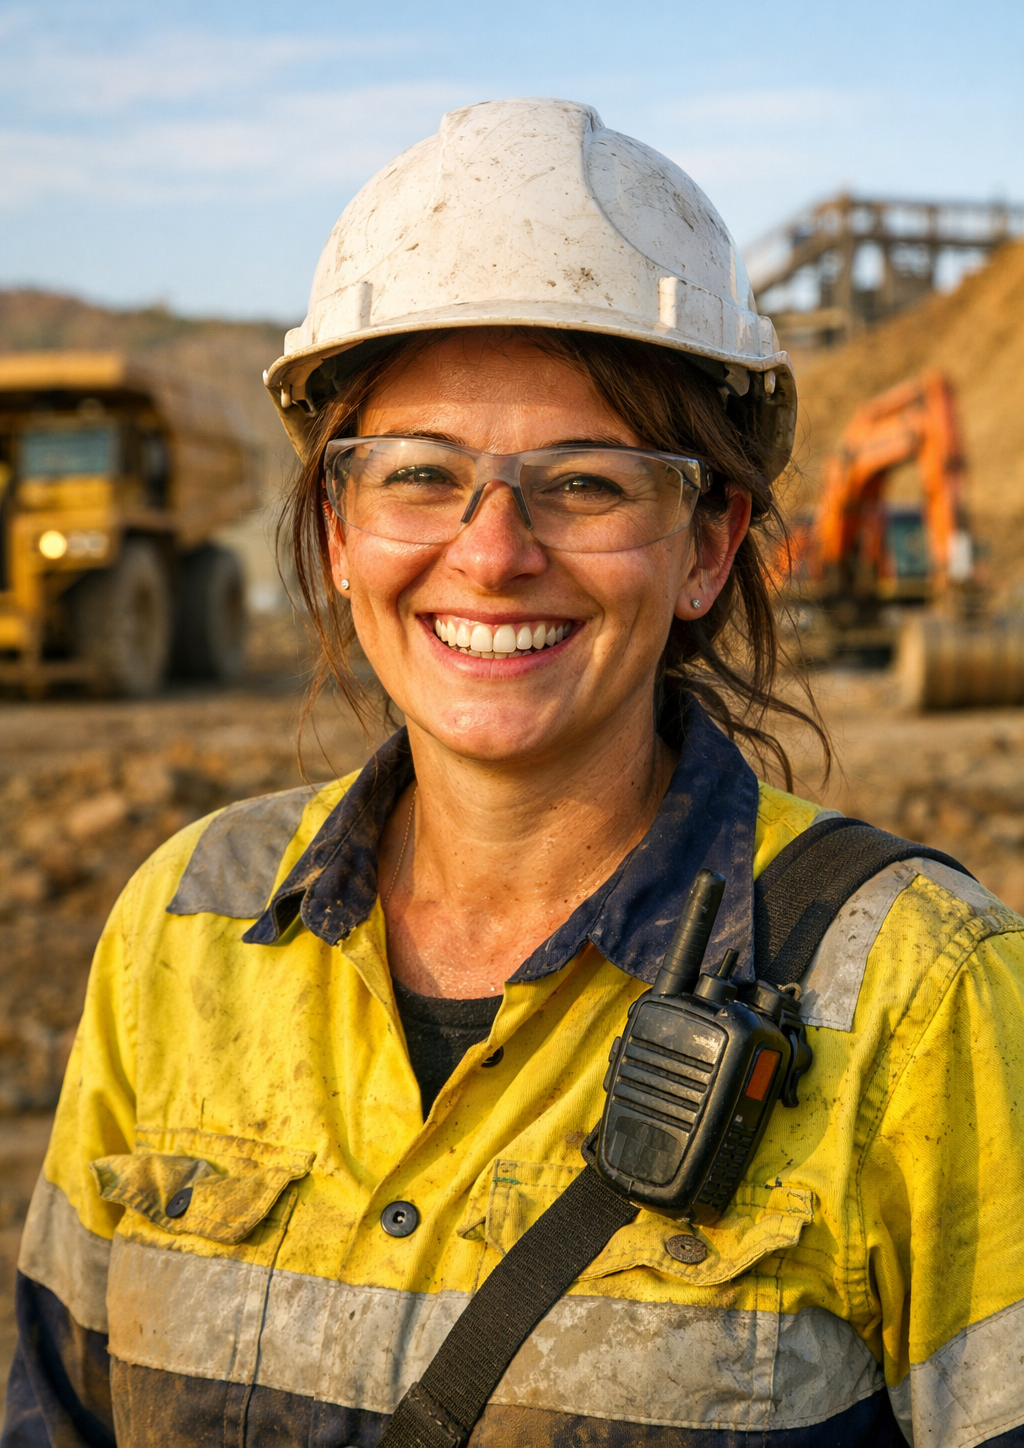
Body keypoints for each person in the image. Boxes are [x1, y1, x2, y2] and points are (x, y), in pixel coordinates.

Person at [4, 98, 1024, 1448]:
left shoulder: (920, 999)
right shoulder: (184, 927)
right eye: (421, 476)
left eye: (588, 485)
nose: (491, 554)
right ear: (339, 524)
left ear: (709, 544)